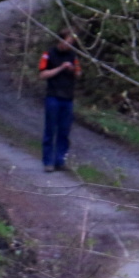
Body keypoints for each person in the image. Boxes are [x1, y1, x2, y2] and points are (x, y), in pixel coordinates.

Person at [37, 29, 81, 172]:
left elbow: (79, 73)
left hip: (68, 97)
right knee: (50, 130)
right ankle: (48, 161)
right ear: (60, 40)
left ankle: (60, 160)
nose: (70, 45)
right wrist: (61, 68)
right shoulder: (48, 54)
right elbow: (43, 74)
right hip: (53, 96)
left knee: (64, 131)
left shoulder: (73, 55)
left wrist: (72, 69)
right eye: (68, 42)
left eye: (72, 43)